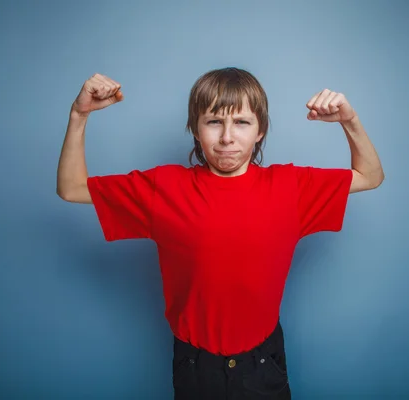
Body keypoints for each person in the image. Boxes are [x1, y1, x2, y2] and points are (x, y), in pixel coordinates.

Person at [56, 67, 384, 399]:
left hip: (263, 362)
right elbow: (71, 188)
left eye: (241, 122)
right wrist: (78, 115)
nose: (227, 137)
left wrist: (350, 119)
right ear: (196, 130)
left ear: (260, 130)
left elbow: (370, 176)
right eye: (214, 121)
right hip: (195, 367)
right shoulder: (163, 187)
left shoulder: (291, 187)